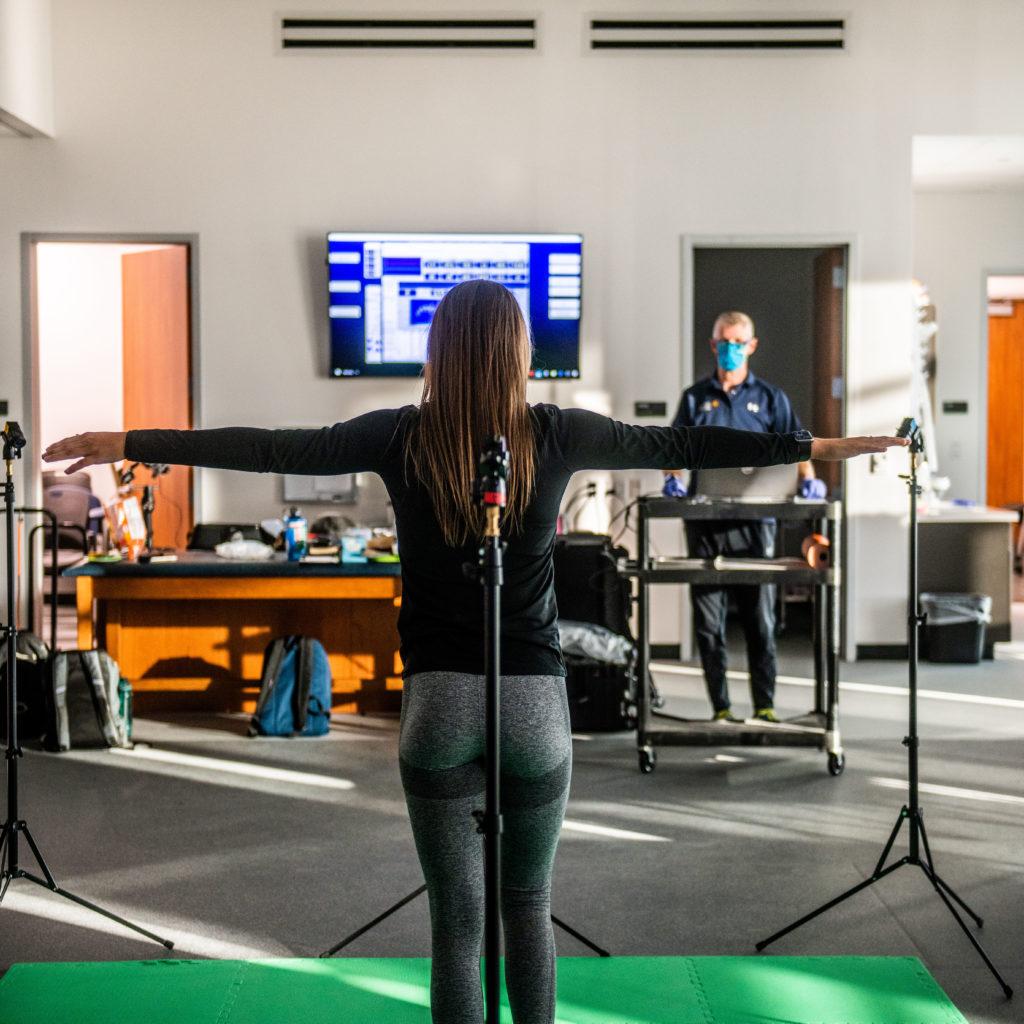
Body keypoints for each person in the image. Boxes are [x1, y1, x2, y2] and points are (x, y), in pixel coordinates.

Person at [43, 281, 905, 1024]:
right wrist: (819, 446)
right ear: (519, 352)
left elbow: (267, 446)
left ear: (439, 351)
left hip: (436, 709)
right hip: (534, 707)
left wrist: (127, 443)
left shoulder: (396, 434)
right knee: (526, 905)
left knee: (458, 920)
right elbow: (684, 445)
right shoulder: (555, 433)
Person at [664, 309, 826, 725]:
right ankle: (721, 708)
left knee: (760, 620)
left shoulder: (771, 398)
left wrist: (809, 480)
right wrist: (674, 480)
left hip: (756, 525)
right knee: (709, 625)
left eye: (738, 342)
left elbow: (800, 447)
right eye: (724, 341)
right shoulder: (695, 398)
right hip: (705, 526)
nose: (730, 349)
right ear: (713, 344)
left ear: (752, 346)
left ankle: (765, 707)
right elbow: (673, 451)